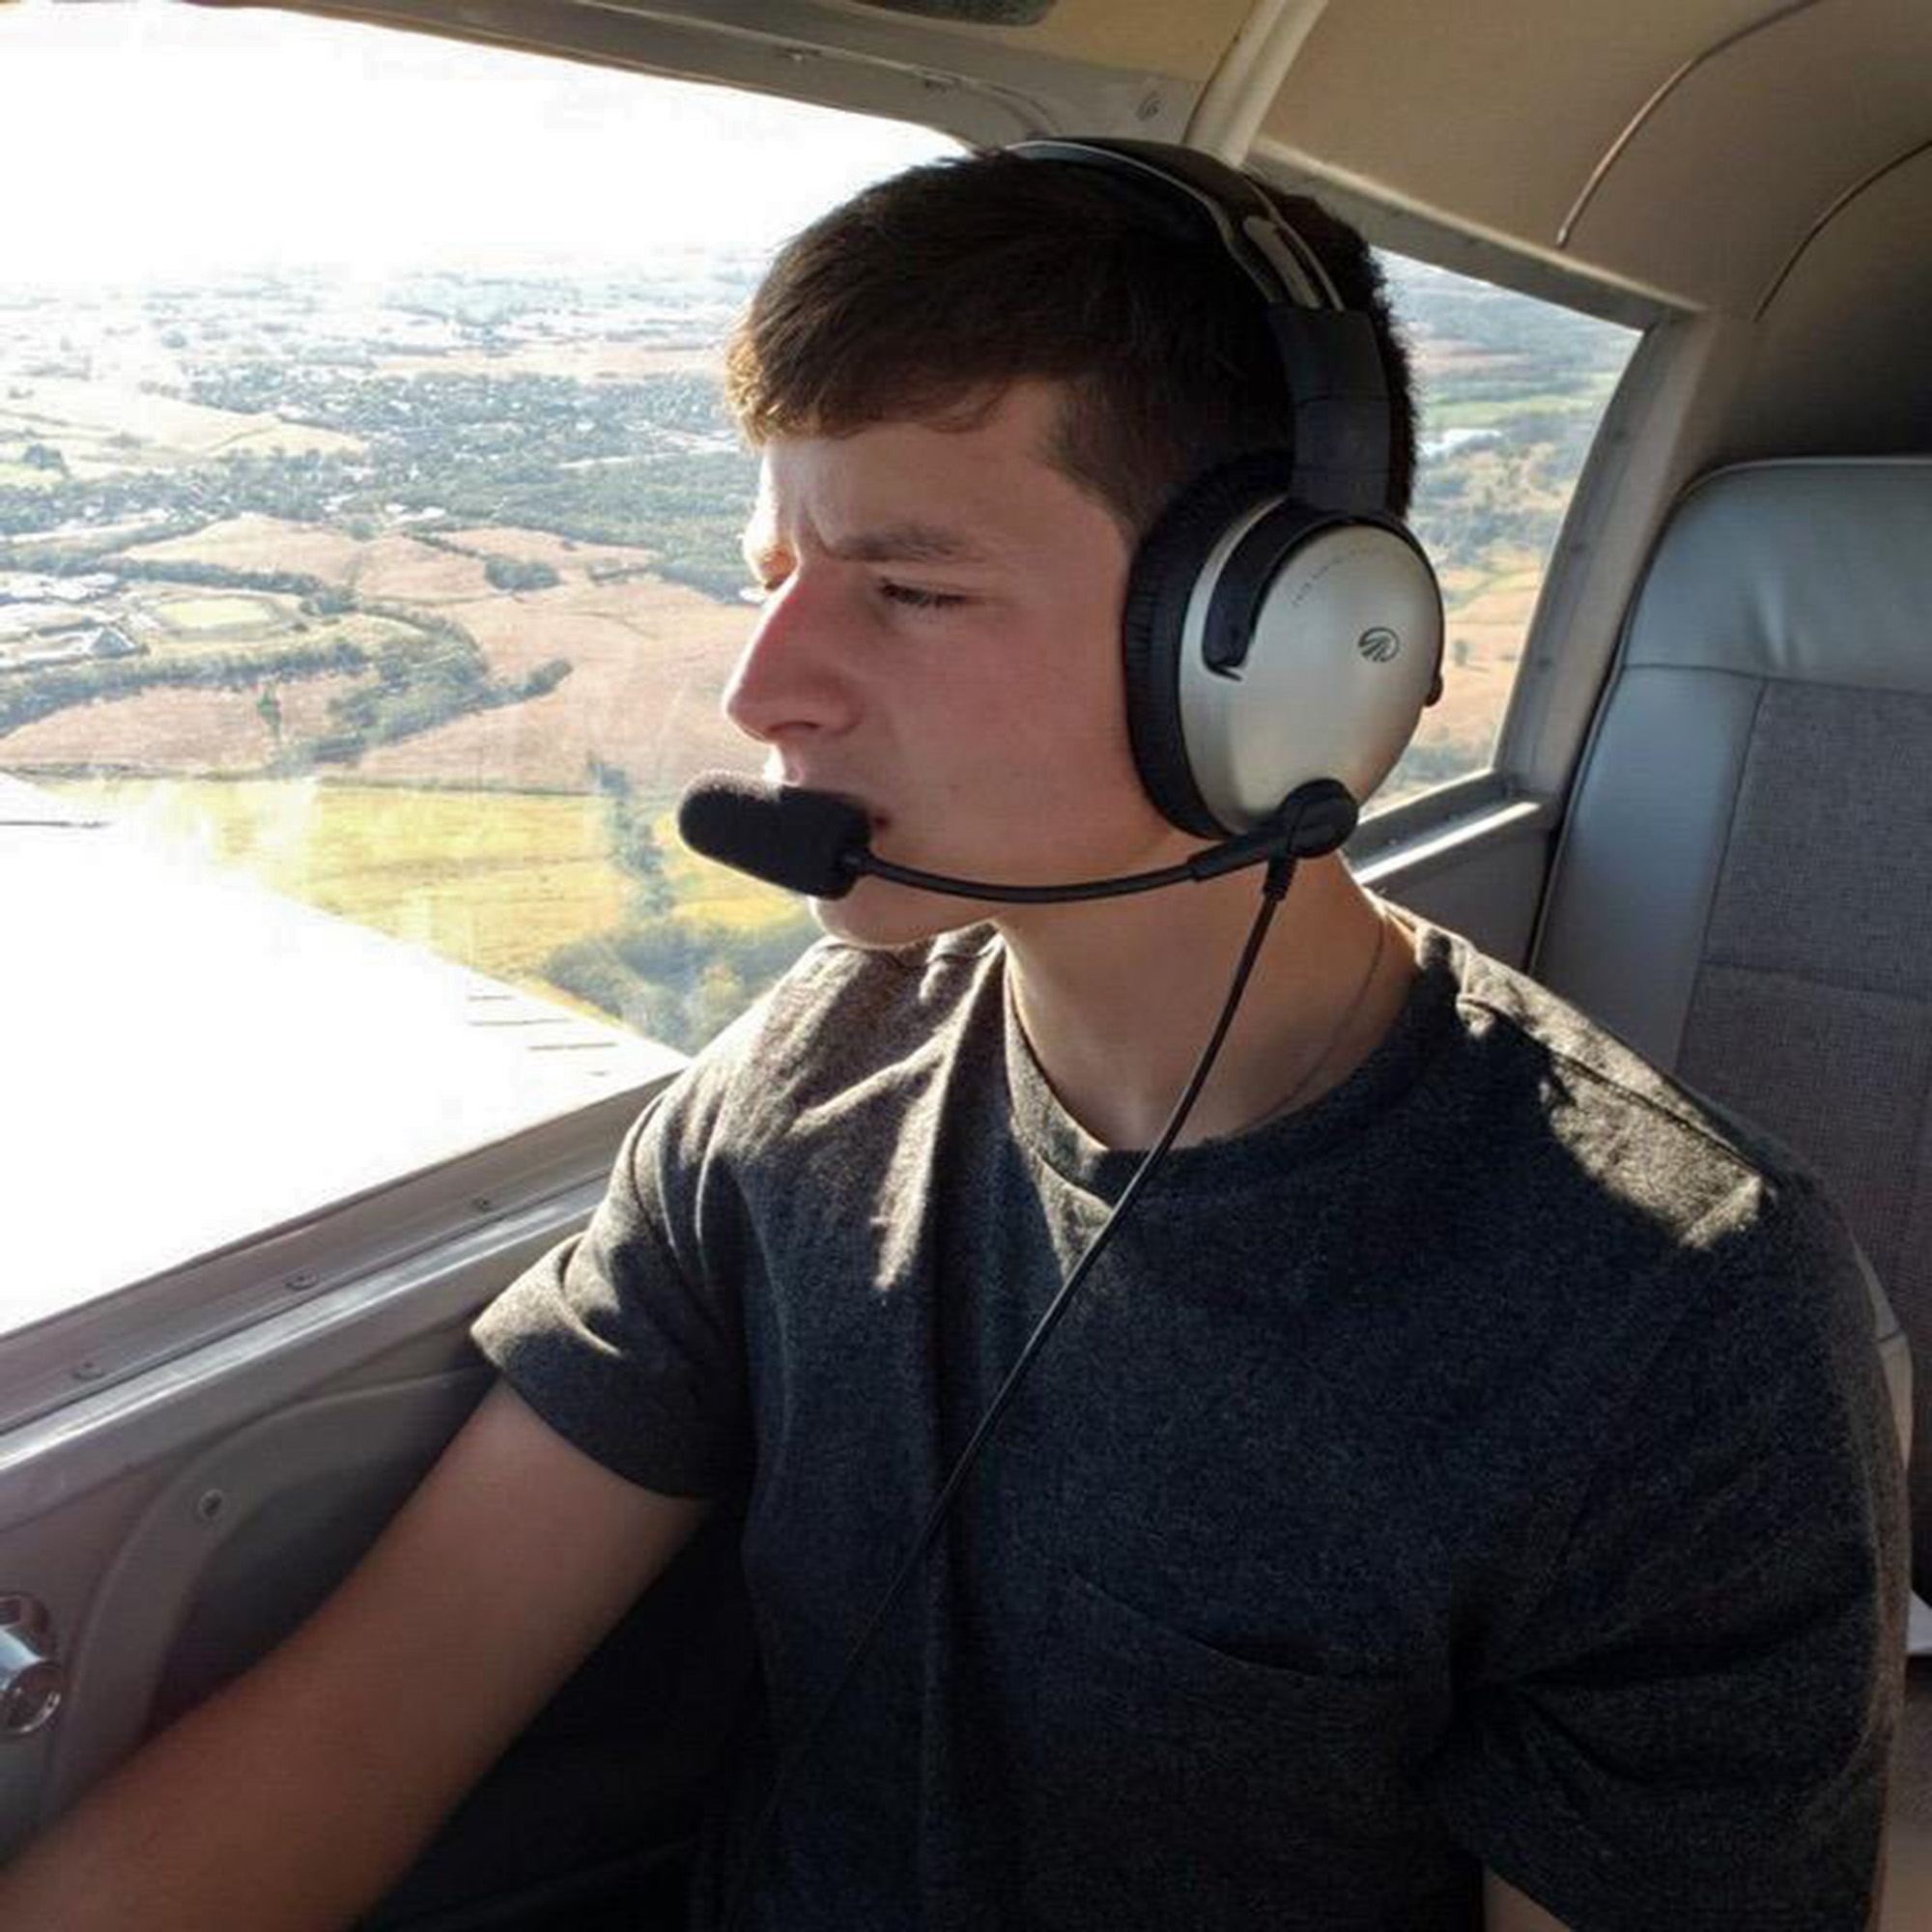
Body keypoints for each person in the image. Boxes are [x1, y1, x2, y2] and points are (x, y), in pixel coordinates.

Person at [0, 144, 1906, 1932]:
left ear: (1278, 661)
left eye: (905, 589)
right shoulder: (805, 1081)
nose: (766, 693)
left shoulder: (1682, 1329)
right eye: (776, 578)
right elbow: (368, 1717)